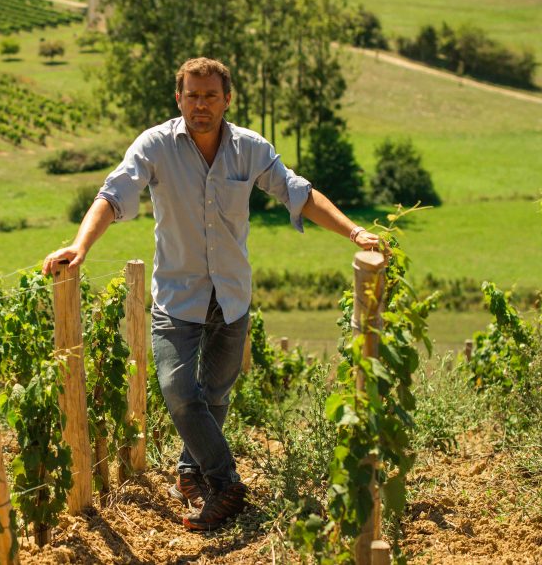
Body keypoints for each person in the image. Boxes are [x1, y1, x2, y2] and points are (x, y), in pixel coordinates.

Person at [42, 57, 381, 531]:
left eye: (211, 95)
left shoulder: (249, 149)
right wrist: (80, 245)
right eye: (192, 95)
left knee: (216, 395)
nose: (201, 104)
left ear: (227, 99)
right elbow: (114, 193)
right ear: (178, 99)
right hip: (177, 298)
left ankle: (190, 472)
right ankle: (226, 483)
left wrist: (354, 232)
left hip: (232, 297)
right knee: (178, 391)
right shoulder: (155, 145)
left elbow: (297, 193)